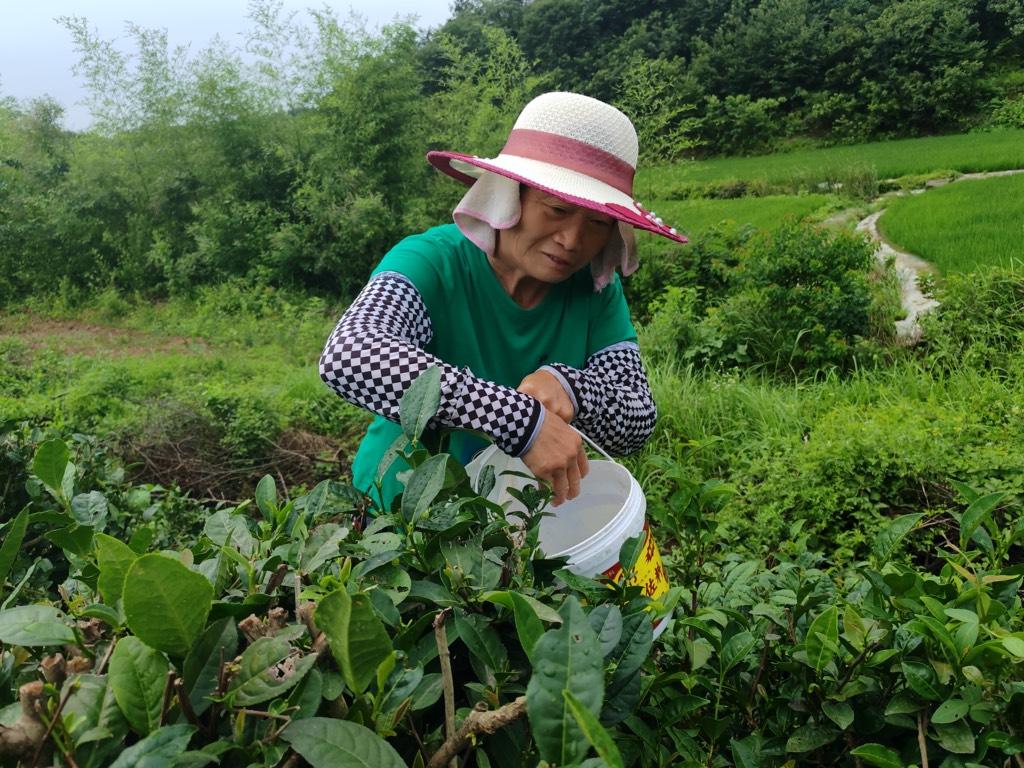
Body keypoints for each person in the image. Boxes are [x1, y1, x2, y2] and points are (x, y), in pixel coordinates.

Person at [319, 91, 686, 511]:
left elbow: (636, 418)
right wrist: (517, 420)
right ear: (510, 195)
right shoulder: (433, 262)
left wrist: (573, 387)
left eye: (598, 222)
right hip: (401, 520)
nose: (572, 241)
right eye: (556, 209)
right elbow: (350, 354)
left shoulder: (594, 291)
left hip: (519, 519)